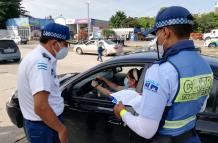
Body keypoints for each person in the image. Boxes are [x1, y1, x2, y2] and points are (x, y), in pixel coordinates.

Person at [113, 6, 213, 143]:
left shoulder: (162, 70)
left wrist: (122, 113)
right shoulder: (204, 65)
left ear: (165, 32)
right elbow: (199, 105)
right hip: (192, 138)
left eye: (156, 34)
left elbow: (146, 130)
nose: (156, 40)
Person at [17, 23, 72, 143]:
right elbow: (41, 107)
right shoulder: (40, 64)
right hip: (44, 127)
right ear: (53, 43)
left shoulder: (43, 58)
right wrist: (61, 129)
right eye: (65, 44)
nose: (67, 48)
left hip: (45, 123)